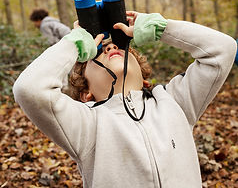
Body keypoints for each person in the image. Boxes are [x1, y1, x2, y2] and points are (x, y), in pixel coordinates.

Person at [13, 11, 237, 188]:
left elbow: (223, 50)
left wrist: (160, 28)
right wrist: (74, 43)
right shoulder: (87, 125)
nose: (111, 46)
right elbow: (29, 89)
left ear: (145, 80)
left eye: (120, 47)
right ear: (85, 93)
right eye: (98, 53)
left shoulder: (175, 102)